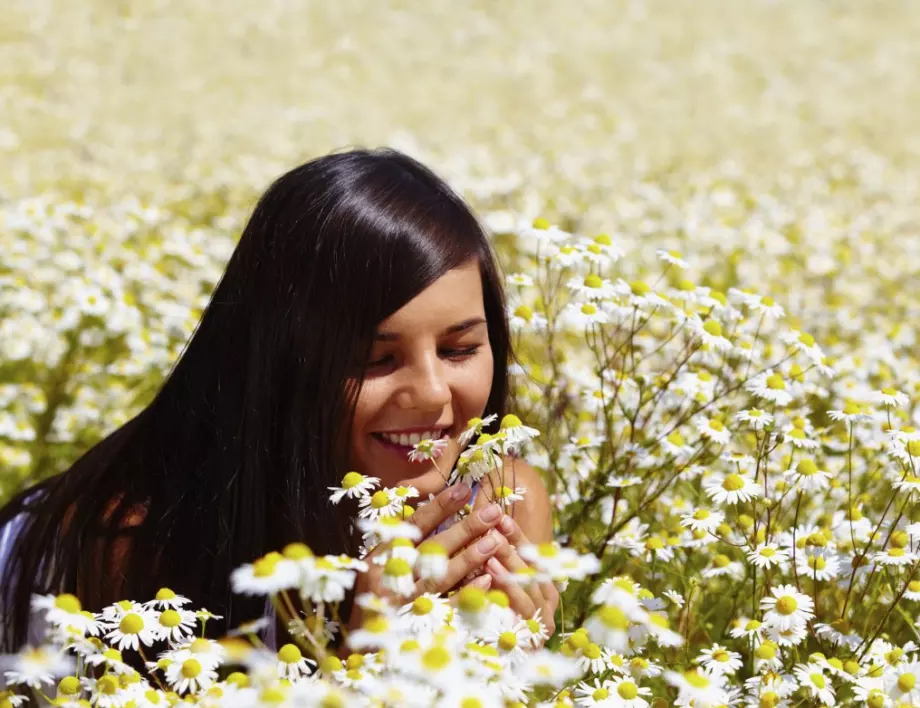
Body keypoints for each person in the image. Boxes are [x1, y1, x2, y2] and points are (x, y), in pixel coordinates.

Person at [0, 147, 556, 654]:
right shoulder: (133, 542)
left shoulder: (501, 509)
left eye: (459, 349)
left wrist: (510, 670)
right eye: (373, 360)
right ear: (282, 361)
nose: (432, 393)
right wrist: (364, 673)